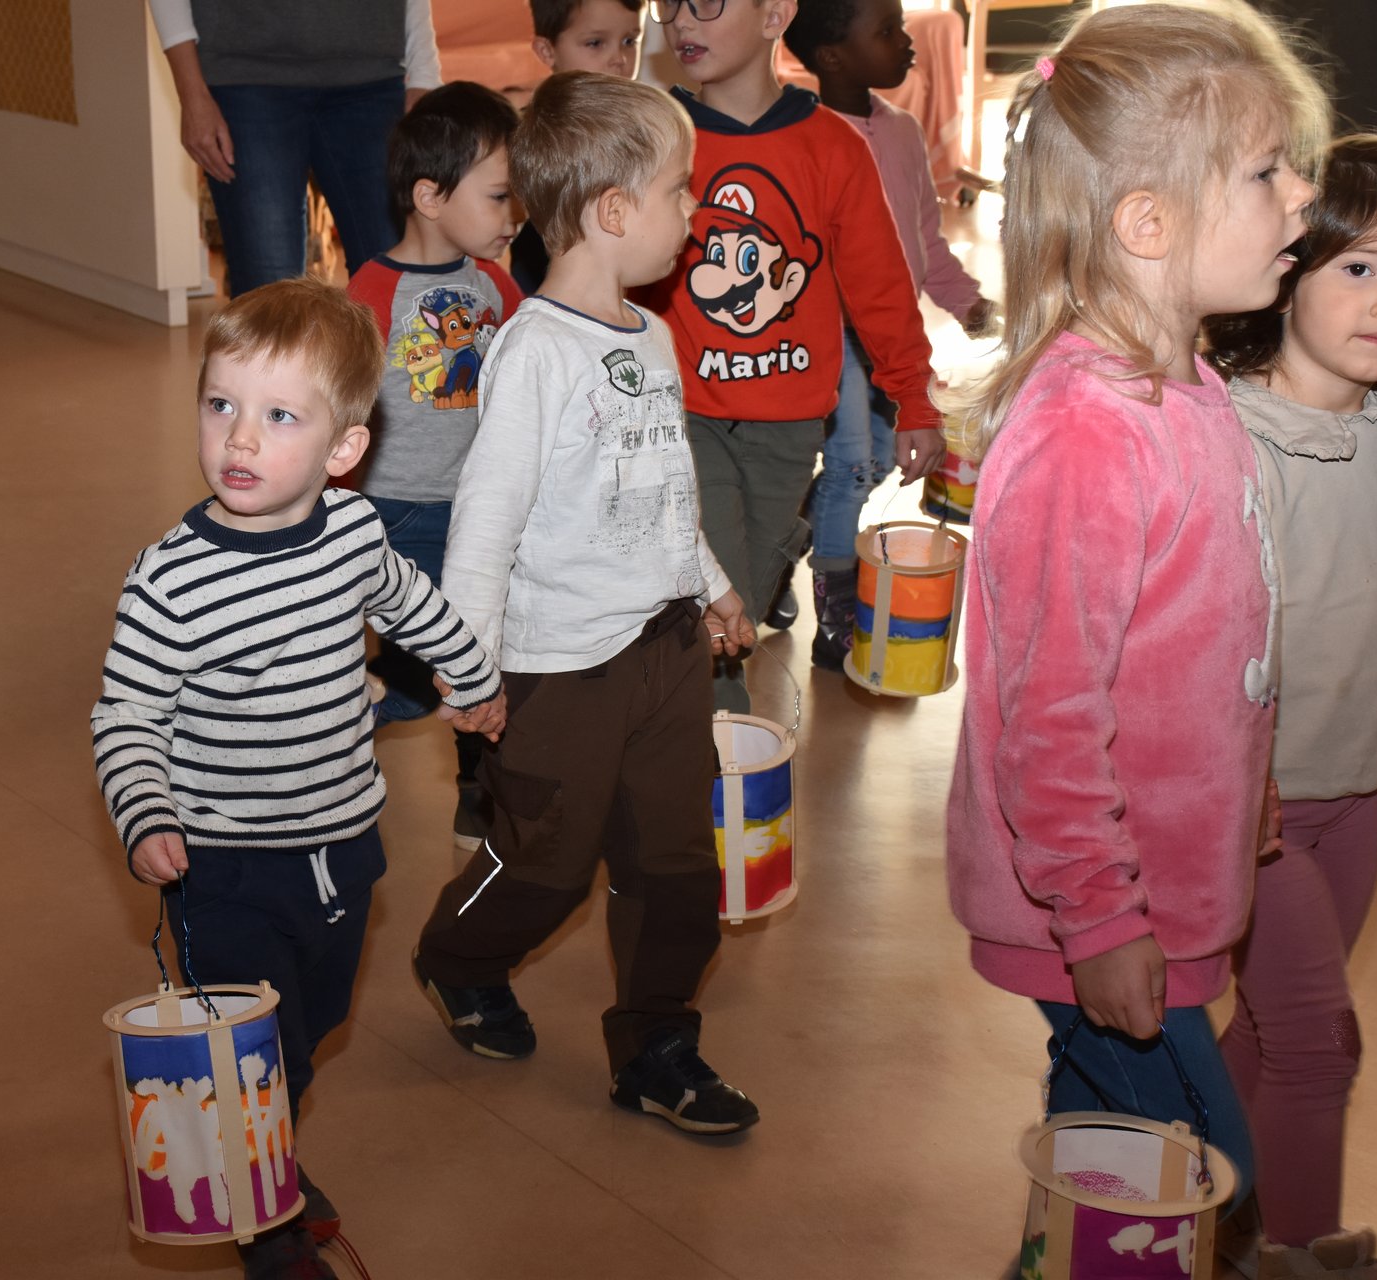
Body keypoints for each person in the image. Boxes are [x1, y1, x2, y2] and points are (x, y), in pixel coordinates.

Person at [944, 0, 1329, 1225]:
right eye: (1267, 172)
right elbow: (1046, 714)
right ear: (1147, 222)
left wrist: (1244, 779)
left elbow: (1197, 647)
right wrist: (1101, 917)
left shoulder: (1189, 385)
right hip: (1102, 911)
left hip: (1164, 879)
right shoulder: (1083, 434)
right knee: (1208, 1189)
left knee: (1111, 1178)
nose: (1302, 196)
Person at [91, 279, 506, 1278]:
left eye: (279, 416)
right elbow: (127, 713)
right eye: (220, 404)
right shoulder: (170, 580)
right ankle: (267, 1229)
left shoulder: (354, 533)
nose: (239, 437)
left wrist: (477, 674)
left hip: (342, 847)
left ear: (343, 448)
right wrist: (145, 809)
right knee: (248, 1054)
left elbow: (412, 605)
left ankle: (266, 1139)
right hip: (222, 863)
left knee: (310, 1029)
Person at [410, 71, 762, 1136]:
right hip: (559, 665)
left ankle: (657, 1044)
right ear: (614, 211)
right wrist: (467, 664)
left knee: (675, 863)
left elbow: (664, 489)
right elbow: (486, 522)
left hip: (665, 651)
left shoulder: (651, 335)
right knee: (548, 861)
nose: (693, 212)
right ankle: (458, 955)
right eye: (679, 191)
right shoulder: (534, 353)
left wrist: (711, 584)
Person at [1203, 135, 1377, 1279]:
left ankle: (1206, 1209)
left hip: (1355, 793)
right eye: (1361, 268)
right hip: (1255, 811)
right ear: (1288, 269)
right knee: (1322, 1040)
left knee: (1275, 1027)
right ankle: (1298, 1252)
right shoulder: (1228, 436)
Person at [643, 0, 943, 711]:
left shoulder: (833, 146)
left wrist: (914, 397)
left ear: (775, 13)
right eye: (670, 2)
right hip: (688, 417)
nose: (682, 20)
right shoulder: (657, 138)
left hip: (791, 428)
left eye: (707, 1)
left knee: (743, 591)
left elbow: (880, 286)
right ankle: (719, 748)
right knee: (719, 606)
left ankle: (784, 548)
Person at [781, 0, 997, 670]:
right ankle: (835, 612)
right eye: (886, 32)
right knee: (851, 465)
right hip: (833, 334)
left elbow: (925, 237)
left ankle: (791, 534)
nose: (907, 43)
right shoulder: (804, 135)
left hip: (891, 337)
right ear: (831, 56)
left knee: (877, 460)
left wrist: (967, 303)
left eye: (901, 27)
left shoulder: (901, 130)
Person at [347, 82, 524, 851]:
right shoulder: (373, 291)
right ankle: (337, 726)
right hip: (396, 511)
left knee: (479, 652)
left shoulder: (494, 285)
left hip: (479, 509)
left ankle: (477, 790)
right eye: (499, 196)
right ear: (429, 196)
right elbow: (336, 401)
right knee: (424, 672)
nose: (513, 215)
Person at [147, 0, 442, 297]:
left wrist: (425, 75)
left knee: (400, 285)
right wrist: (191, 94)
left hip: (373, 79)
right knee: (268, 289)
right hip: (244, 78)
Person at [508, 0, 651, 293]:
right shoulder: (529, 132)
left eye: (629, 41)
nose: (619, 59)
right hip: (548, 282)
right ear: (547, 51)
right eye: (595, 43)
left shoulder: (646, 128)